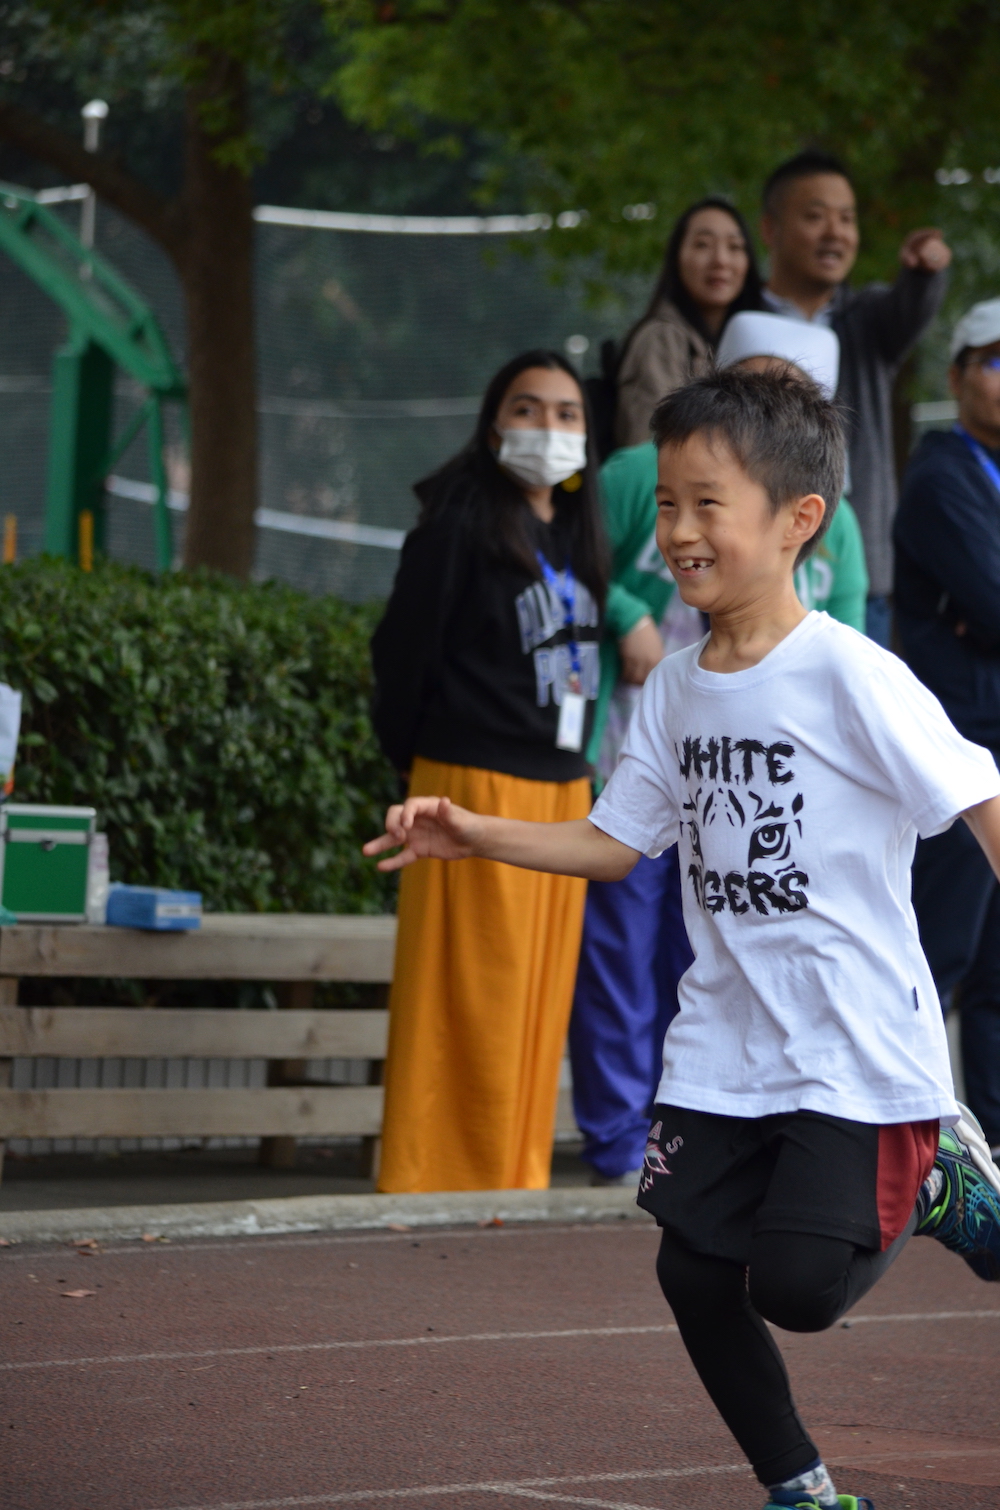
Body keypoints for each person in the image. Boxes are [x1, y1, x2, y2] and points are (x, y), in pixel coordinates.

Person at [365, 366, 1000, 1510]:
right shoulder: (672, 691)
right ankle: (801, 1489)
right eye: (666, 503)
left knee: (797, 1288)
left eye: (708, 503)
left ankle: (939, 1176)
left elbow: (981, 799)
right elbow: (616, 842)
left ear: (799, 519)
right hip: (723, 1043)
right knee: (694, 1271)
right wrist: (473, 832)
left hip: (853, 1044)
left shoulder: (852, 674)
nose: (678, 531)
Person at [570, 312, 868, 1191]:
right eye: (759, 384)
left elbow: (848, 639)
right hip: (639, 744)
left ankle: (720, 1129)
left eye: (797, 396)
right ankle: (621, 1136)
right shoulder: (637, 475)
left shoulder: (838, 553)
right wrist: (629, 616)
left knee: (706, 952)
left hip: (764, 796)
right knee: (622, 951)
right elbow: (581, 556)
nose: (682, 527)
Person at [369, 349, 607, 1193]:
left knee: (534, 1004)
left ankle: (512, 1178)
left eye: (567, 413)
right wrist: (424, 768)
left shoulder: (575, 532)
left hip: (562, 790)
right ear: (494, 423)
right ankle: (436, 1179)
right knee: (473, 999)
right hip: (470, 787)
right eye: (527, 408)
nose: (549, 427)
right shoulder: (456, 524)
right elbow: (400, 658)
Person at [760, 148, 950, 645]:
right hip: (756, 569)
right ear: (770, 229)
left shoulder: (867, 320)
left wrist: (924, 272)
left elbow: (911, 307)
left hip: (856, 571)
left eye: (846, 218)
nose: (836, 233)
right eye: (815, 216)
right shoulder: (738, 320)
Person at [896, 297, 1000, 1157]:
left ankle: (987, 1149)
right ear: (958, 375)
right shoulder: (940, 477)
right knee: (939, 956)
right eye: (995, 360)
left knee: (997, 970)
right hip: (960, 754)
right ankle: (902, 1147)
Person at [614, 196, 763, 448]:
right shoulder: (661, 338)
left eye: (735, 247)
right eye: (703, 245)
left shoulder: (752, 341)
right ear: (677, 258)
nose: (721, 260)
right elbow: (651, 449)